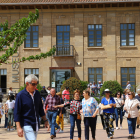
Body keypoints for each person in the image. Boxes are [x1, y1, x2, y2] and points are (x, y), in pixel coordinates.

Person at [14, 74, 48, 140]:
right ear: (27, 83)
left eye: (36, 84)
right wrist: (18, 127)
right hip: (26, 123)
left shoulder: (37, 94)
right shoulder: (20, 95)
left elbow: (40, 108)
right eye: (33, 84)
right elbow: (16, 112)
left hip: (36, 124)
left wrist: (45, 120)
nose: (35, 86)